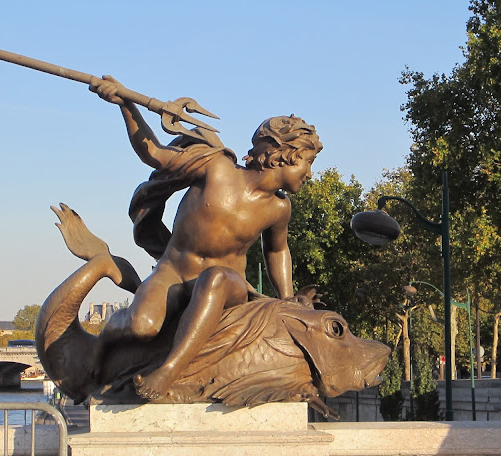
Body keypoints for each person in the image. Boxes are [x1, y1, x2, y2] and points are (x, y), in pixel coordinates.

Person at [57, 75, 322, 401]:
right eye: (308, 162)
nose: (309, 173)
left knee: (215, 278)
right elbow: (154, 153)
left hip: (228, 285)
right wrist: (126, 106)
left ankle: (168, 371)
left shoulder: (279, 208)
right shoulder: (216, 169)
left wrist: (286, 297)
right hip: (173, 273)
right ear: (283, 155)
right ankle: (107, 337)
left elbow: (277, 251)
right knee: (142, 326)